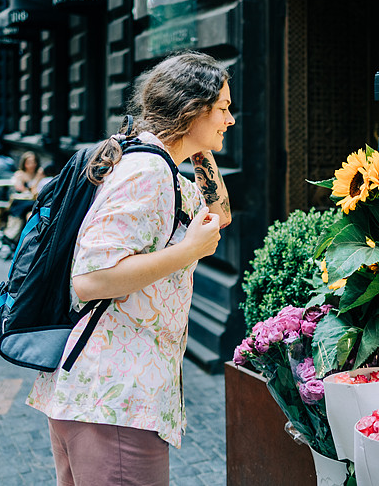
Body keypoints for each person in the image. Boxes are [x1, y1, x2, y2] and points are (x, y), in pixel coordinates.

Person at [26, 51, 233, 486]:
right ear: (192, 110)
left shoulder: (161, 164)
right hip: (112, 402)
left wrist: (198, 145)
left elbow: (219, 215)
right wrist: (185, 251)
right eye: (222, 108)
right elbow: (89, 280)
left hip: (105, 398)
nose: (230, 119)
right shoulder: (147, 171)